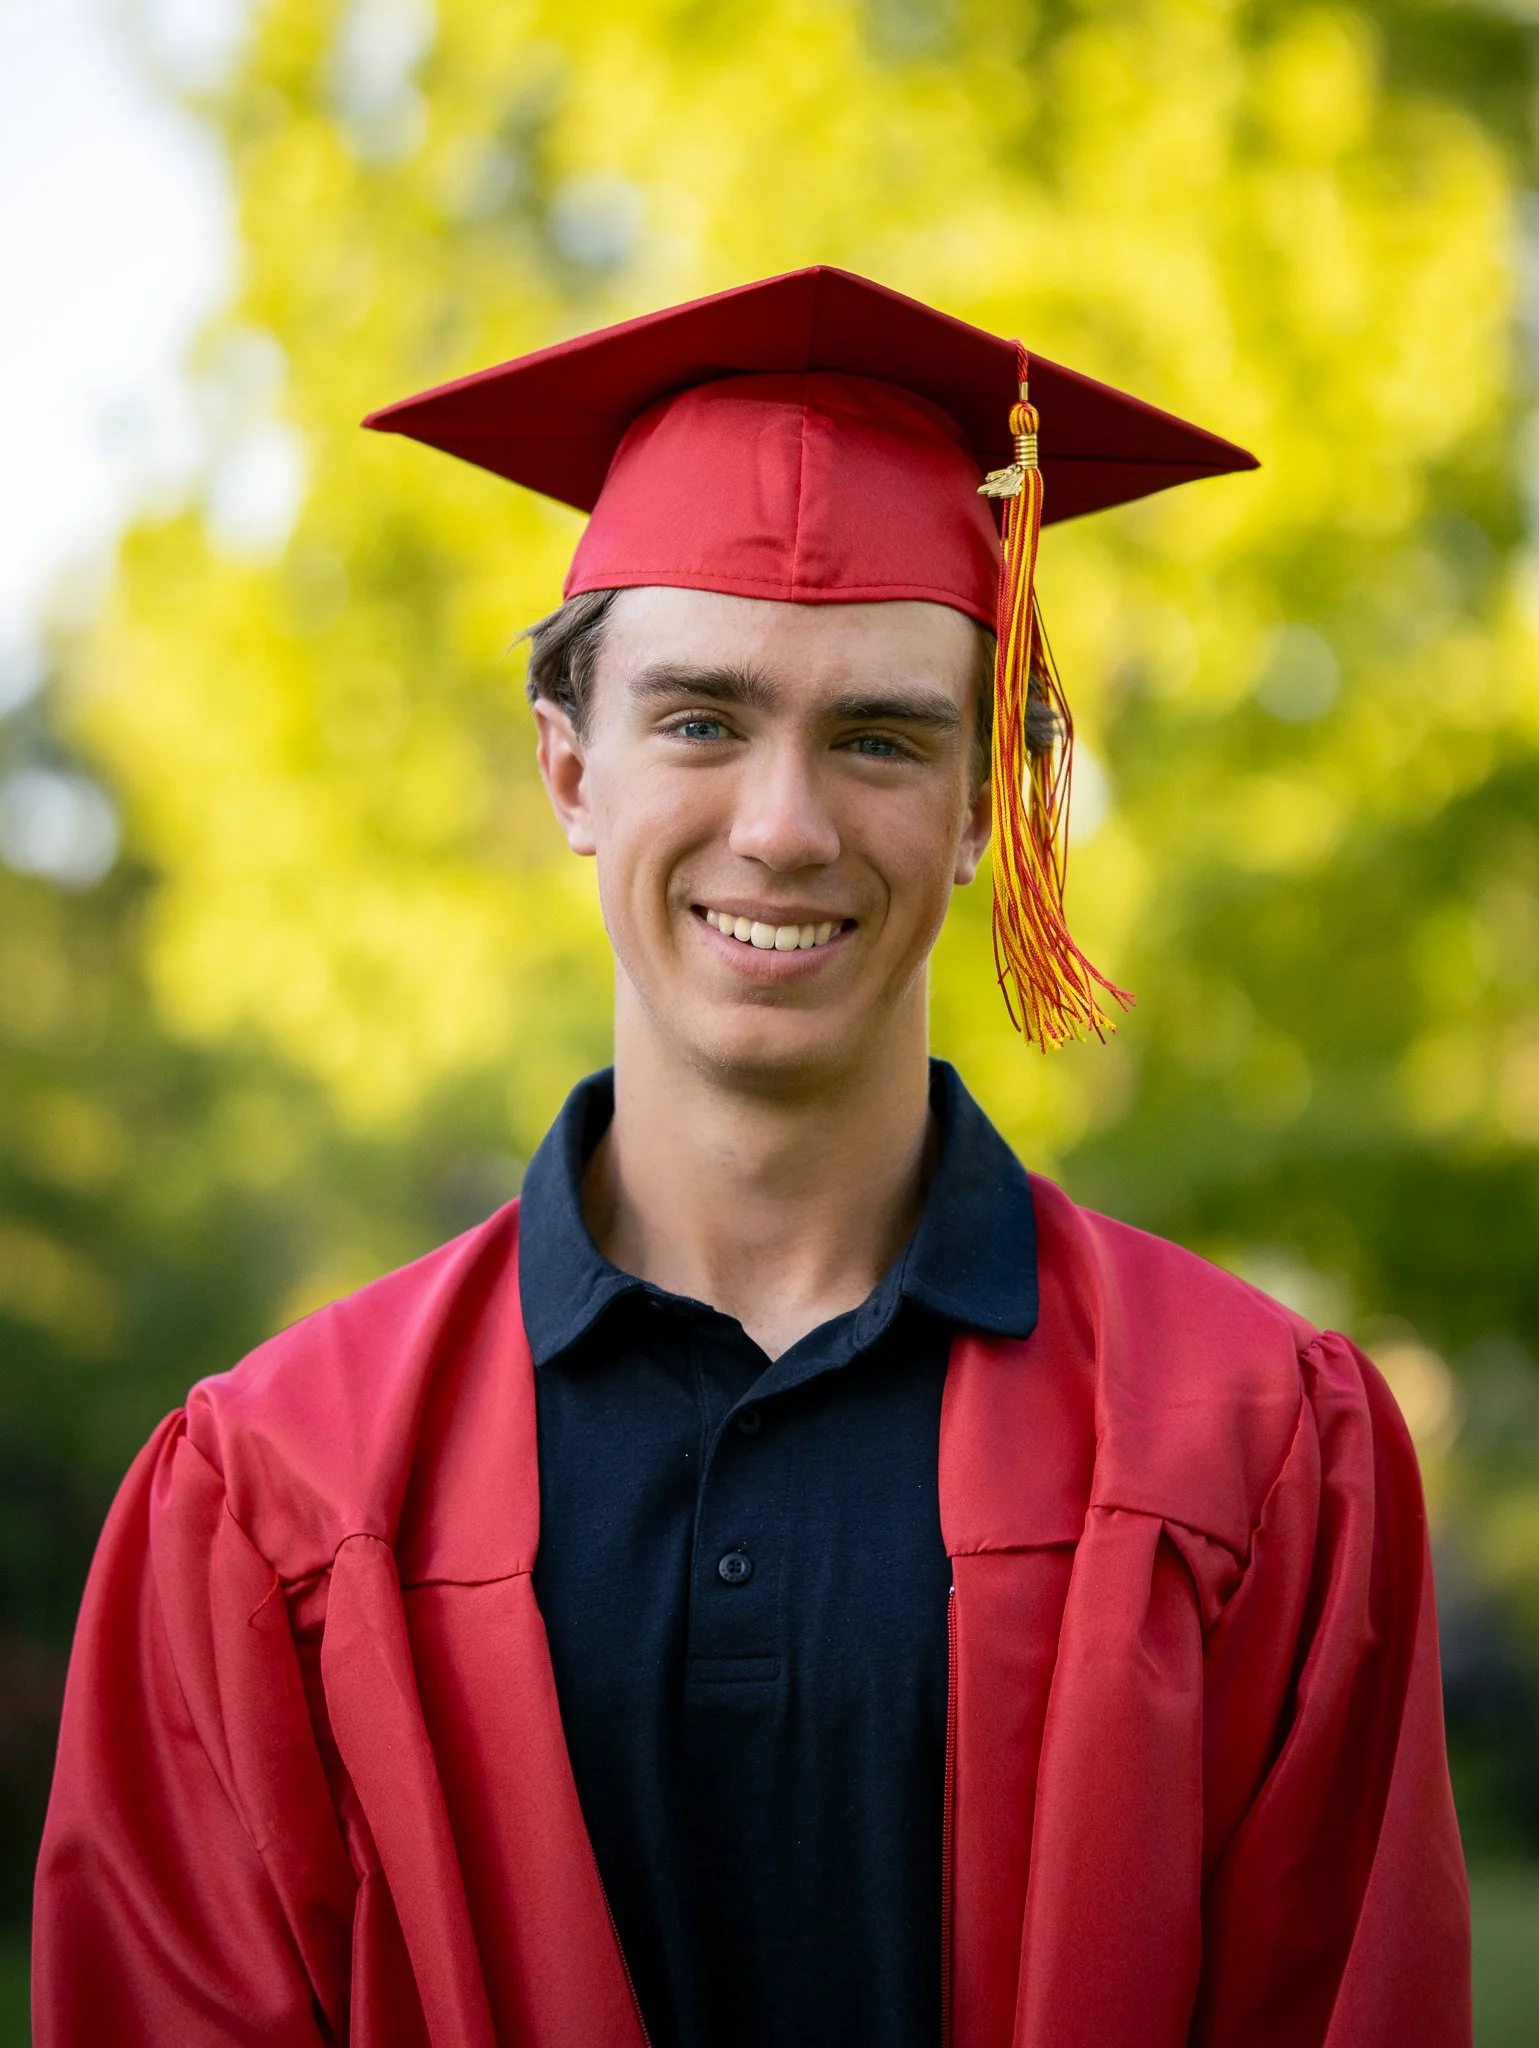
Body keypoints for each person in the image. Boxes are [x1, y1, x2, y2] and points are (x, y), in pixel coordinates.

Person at [34, 267, 1470, 2048]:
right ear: (570, 774)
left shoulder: (1253, 1454)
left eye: (877, 735)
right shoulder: (277, 1490)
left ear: (976, 813)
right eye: (701, 719)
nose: (781, 828)